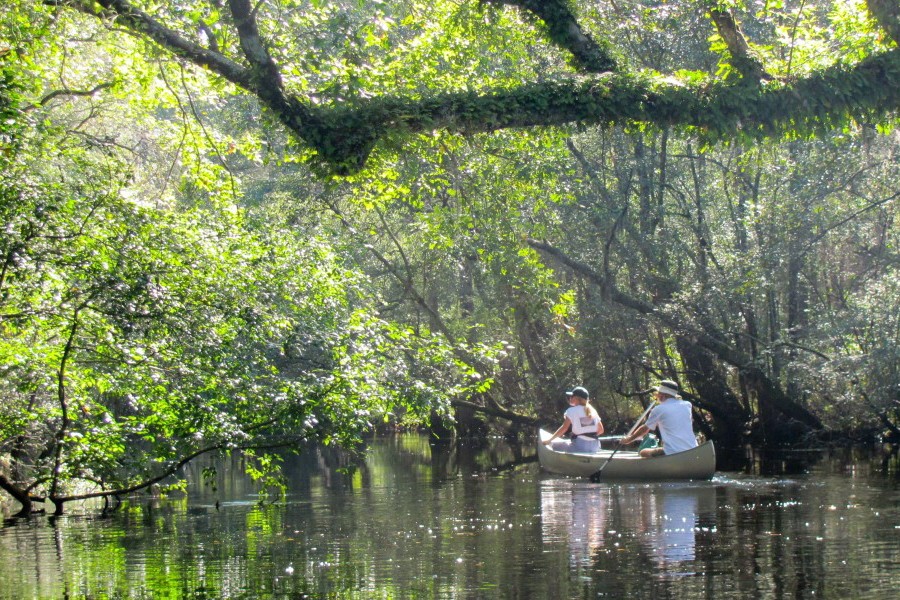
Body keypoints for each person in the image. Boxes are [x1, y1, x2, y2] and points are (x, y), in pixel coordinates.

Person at [622, 380, 697, 457]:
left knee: (643, 452)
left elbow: (644, 430)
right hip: (692, 449)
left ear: (663, 395)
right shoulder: (687, 405)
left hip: (672, 452)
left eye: (658, 394)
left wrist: (629, 439)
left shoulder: (658, 409)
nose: (657, 396)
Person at [543, 386, 604, 453]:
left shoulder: (571, 411)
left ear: (576, 398)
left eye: (571, 396)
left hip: (580, 447)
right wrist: (587, 435)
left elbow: (564, 428)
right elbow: (601, 430)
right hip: (595, 447)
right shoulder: (593, 410)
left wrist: (549, 440)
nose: (570, 398)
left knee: (552, 445)